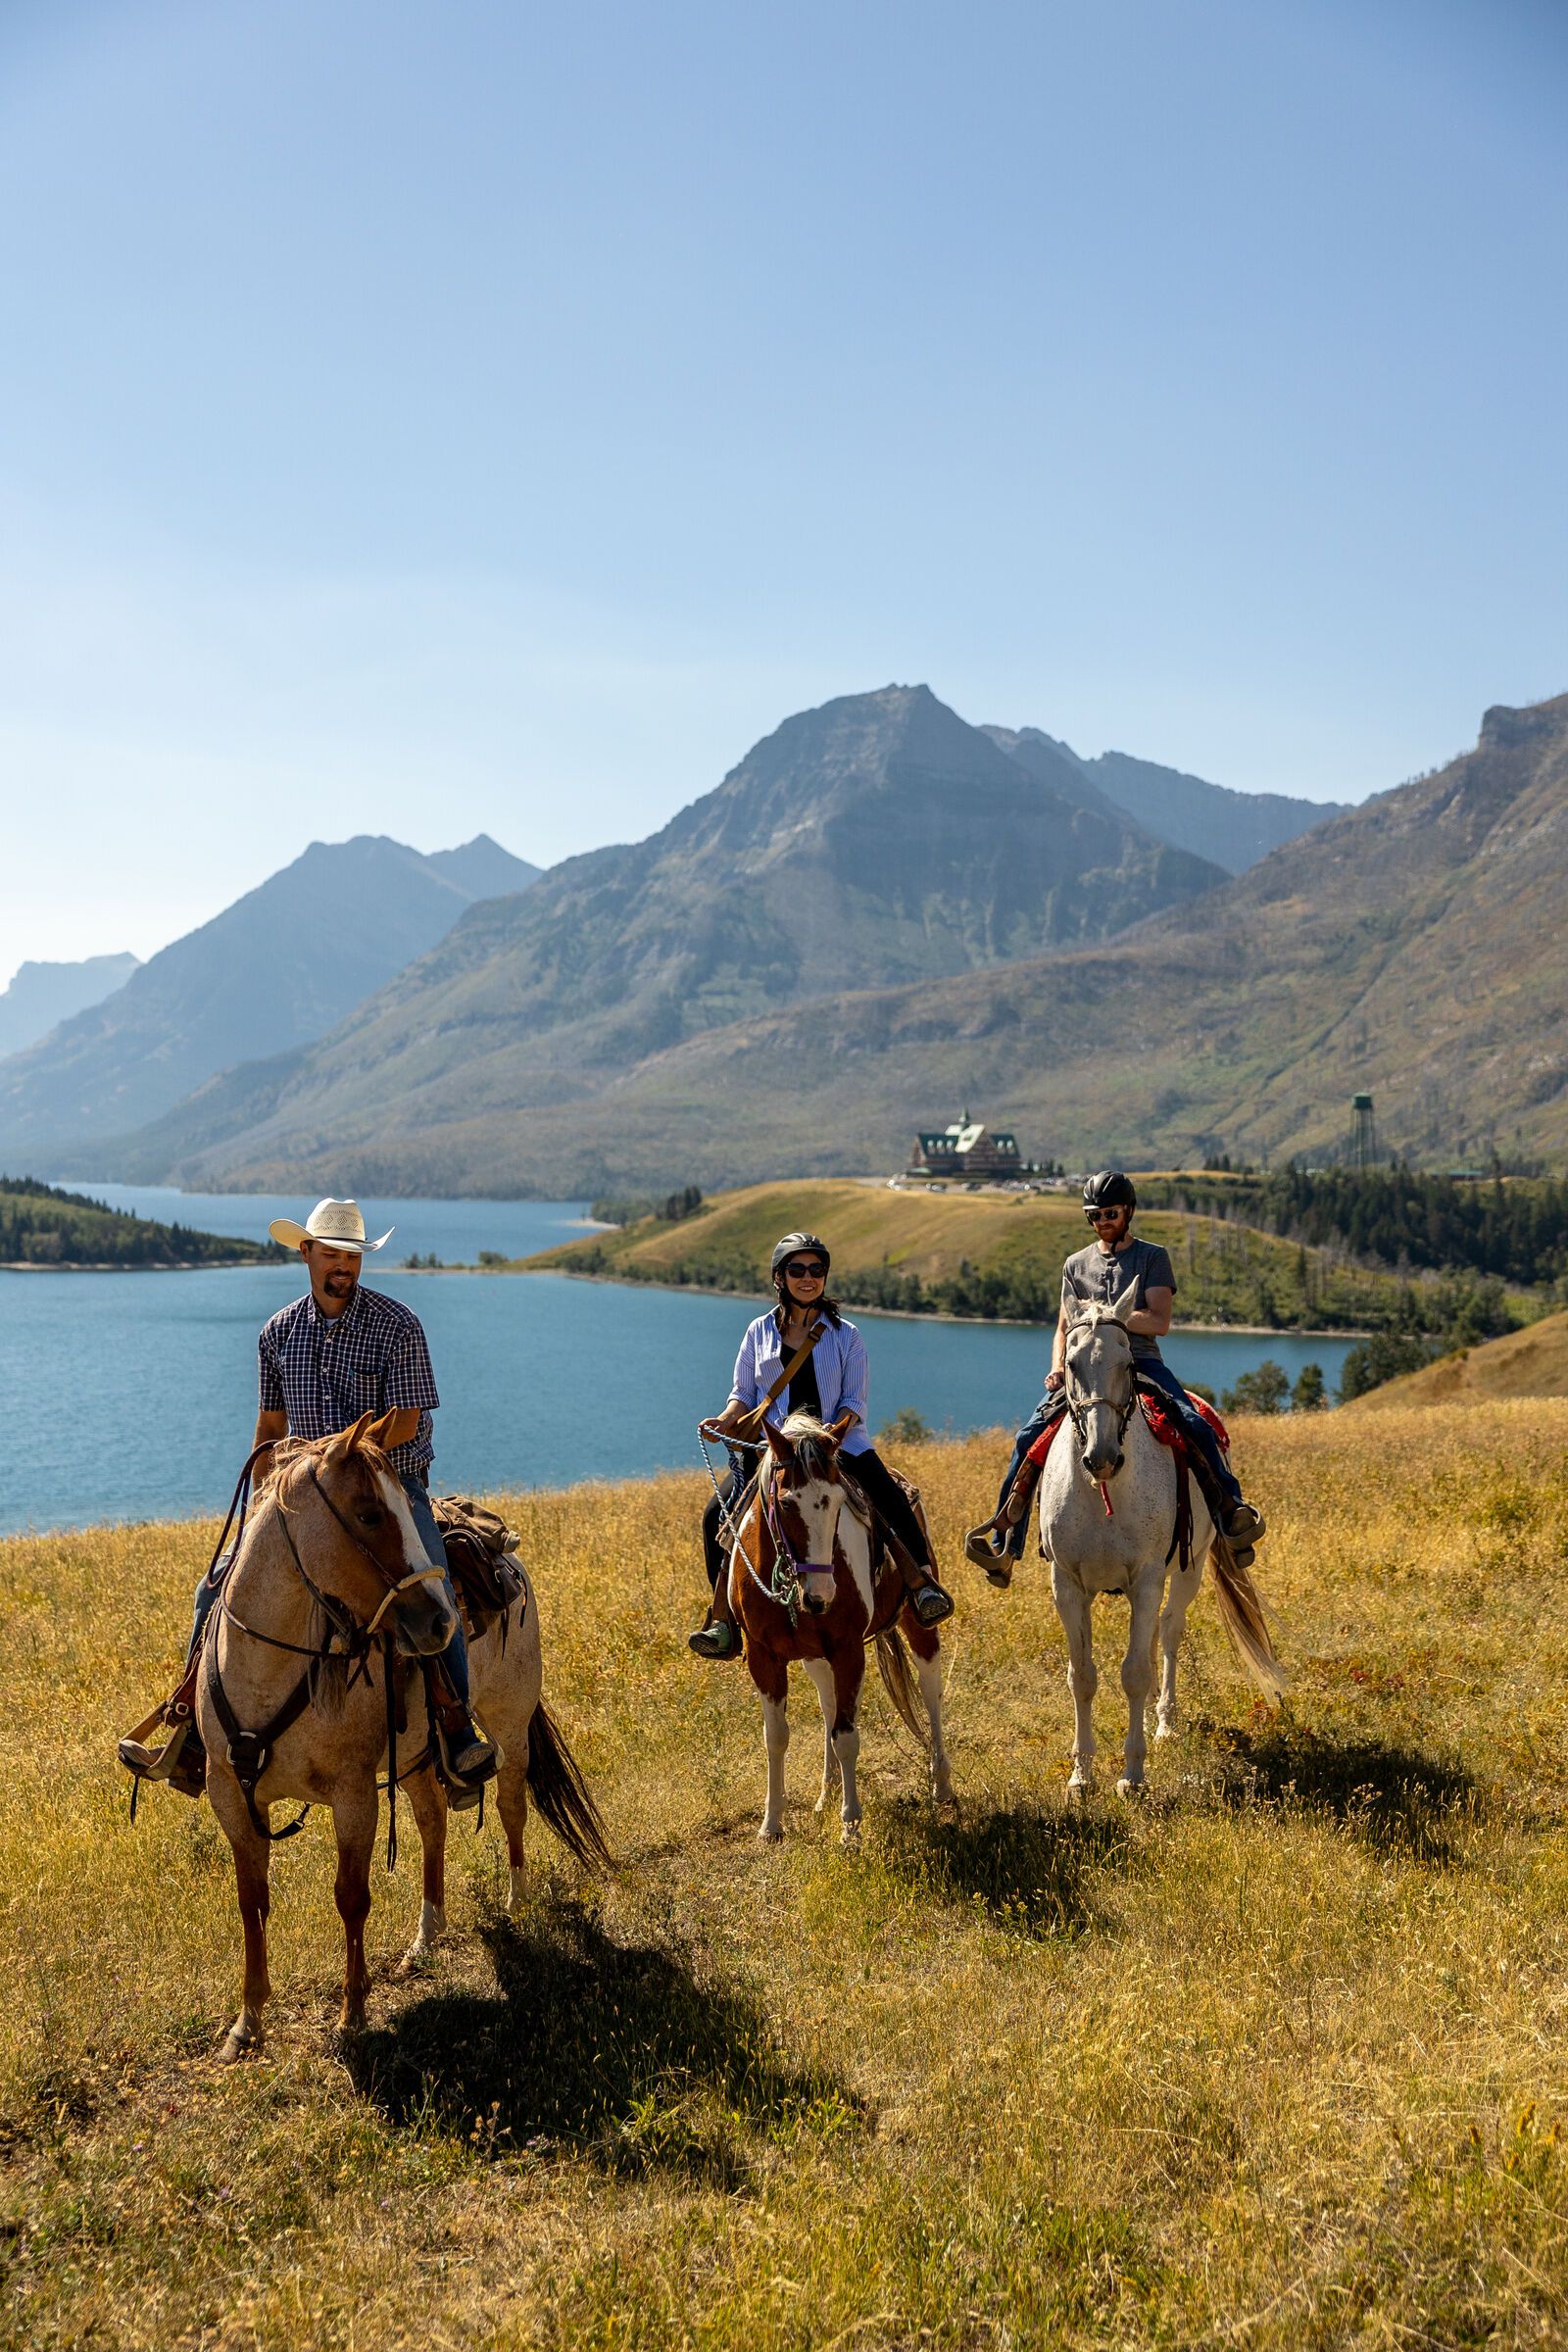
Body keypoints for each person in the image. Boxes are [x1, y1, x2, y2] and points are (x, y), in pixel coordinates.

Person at [119, 1197, 497, 1800]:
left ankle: (456, 1731)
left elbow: (404, 1422)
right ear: (307, 1254)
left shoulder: (398, 1325)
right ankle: (190, 1728)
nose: (342, 1266)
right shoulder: (277, 1333)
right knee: (214, 1586)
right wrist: (261, 1499)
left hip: (388, 1493)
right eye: (331, 1254)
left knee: (434, 1584)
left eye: (352, 1255)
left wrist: (337, 1455)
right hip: (300, 1503)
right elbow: (269, 1429)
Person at [965, 1172, 1266, 1569]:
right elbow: (1062, 1327)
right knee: (1028, 1437)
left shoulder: (1152, 1257)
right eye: (1094, 1215)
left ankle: (1231, 1512)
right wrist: (1058, 1367)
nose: (1102, 1221)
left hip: (1140, 1362)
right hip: (1086, 1371)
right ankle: (1005, 1542)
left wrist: (1109, 1319)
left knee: (1193, 1422)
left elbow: (1159, 1321)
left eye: (1110, 1212)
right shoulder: (1075, 1265)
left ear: (1128, 1212)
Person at [689, 1231, 955, 1659]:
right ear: (780, 1277)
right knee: (714, 1518)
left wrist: (828, 1437)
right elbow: (742, 1393)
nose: (808, 1278)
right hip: (775, 1453)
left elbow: (854, 1400)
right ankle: (724, 1617)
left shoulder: (846, 1335)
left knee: (889, 1499)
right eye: (797, 1270)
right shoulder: (757, 1332)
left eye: (816, 1270)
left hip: (838, 1447)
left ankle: (921, 1584)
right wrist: (724, 1420)